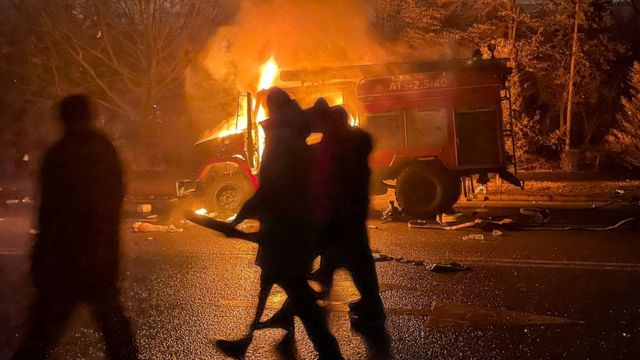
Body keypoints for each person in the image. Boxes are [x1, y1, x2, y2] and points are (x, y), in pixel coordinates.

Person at [215, 88, 343, 360]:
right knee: (272, 280)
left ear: (273, 109)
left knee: (295, 288)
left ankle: (327, 350)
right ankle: (258, 337)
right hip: (290, 224)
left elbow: (270, 188)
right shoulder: (291, 135)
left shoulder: (281, 139)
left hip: (286, 228)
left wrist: (239, 217)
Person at [12, 95, 138, 360]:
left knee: (42, 333)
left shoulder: (59, 154)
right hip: (98, 256)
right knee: (114, 331)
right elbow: (114, 200)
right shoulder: (104, 150)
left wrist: (41, 256)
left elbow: (49, 212)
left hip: (64, 259)